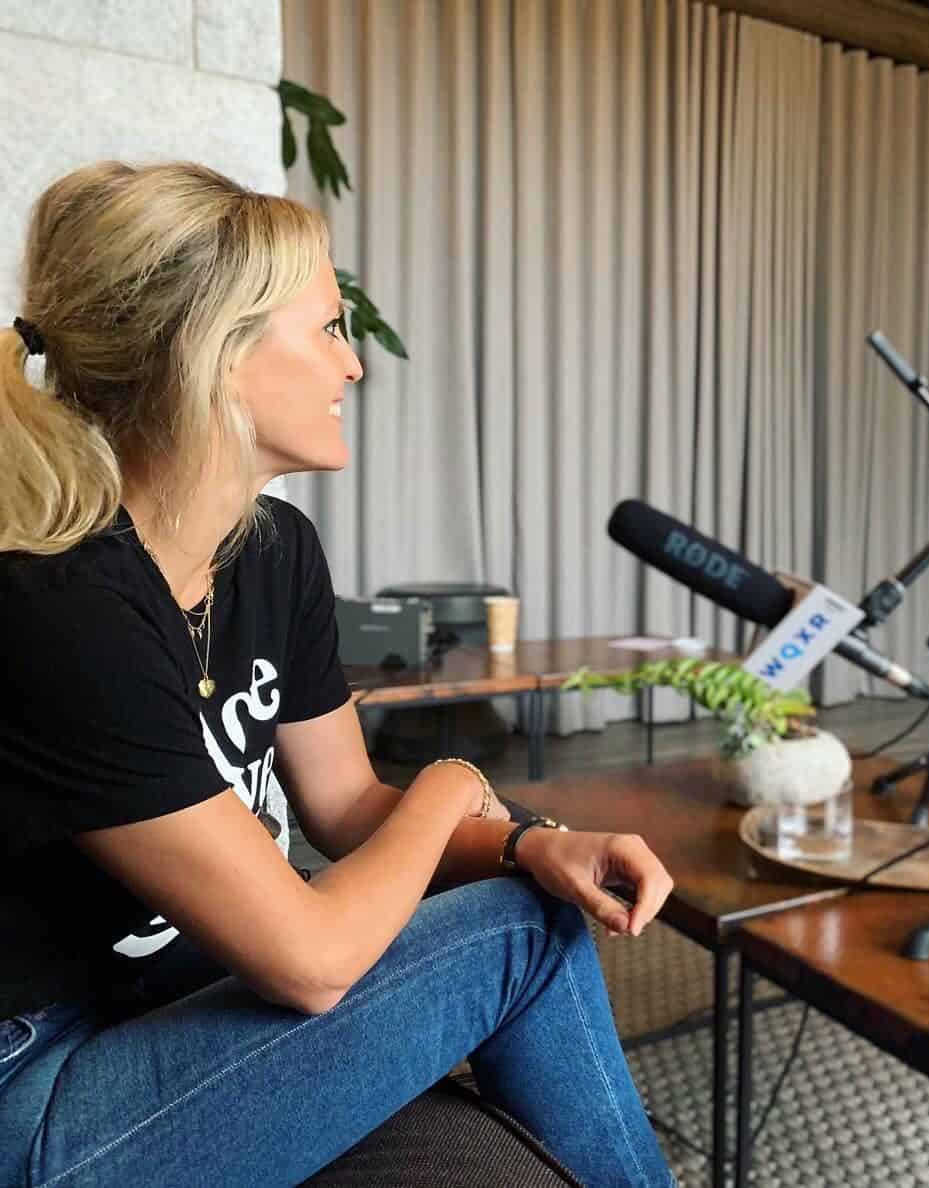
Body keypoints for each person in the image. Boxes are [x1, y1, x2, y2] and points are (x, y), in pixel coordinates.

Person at [0, 161, 675, 1187]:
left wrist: (534, 842)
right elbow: (309, 962)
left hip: (174, 999)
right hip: (39, 1082)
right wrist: (452, 784)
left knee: (530, 899)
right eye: (326, 328)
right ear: (218, 354)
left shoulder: (275, 554)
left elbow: (349, 804)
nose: (352, 365)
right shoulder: (62, 606)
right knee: (519, 931)